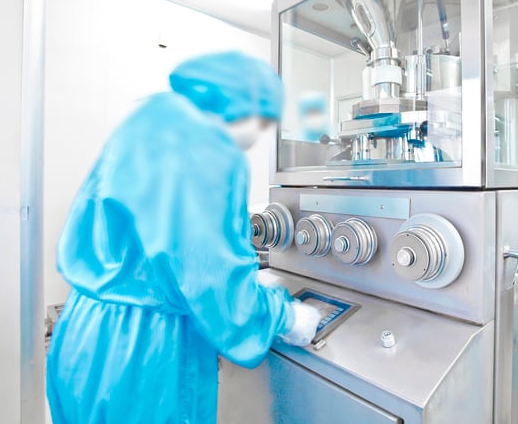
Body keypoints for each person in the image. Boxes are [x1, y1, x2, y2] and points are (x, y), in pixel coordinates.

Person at [46, 51, 321, 423]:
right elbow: (214, 281)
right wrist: (286, 316)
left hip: (82, 335)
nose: (253, 138)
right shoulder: (208, 146)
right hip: (143, 359)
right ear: (243, 105)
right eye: (260, 122)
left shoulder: (149, 120)